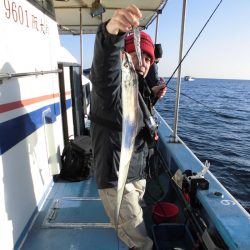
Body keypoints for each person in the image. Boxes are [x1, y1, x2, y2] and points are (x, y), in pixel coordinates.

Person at [89, 4, 157, 250]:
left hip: (135, 171)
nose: (144, 62)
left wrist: (153, 93)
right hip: (116, 175)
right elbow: (105, 70)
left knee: (136, 216)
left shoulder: (138, 85)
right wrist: (112, 35)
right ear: (123, 57)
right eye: (138, 55)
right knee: (141, 240)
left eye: (149, 58)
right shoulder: (110, 87)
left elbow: (135, 114)